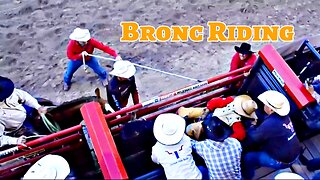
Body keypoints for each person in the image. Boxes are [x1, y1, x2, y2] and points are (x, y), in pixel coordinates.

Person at [242, 90, 301, 180]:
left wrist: (251, 126)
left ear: (271, 109)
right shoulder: (285, 117)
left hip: (283, 161)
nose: (264, 105)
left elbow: (250, 141)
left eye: (265, 104)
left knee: (248, 158)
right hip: (295, 153)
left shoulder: (270, 124)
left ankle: (247, 177)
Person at [181, 95, 258, 141]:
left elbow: (214, 102)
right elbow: (241, 135)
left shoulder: (230, 101)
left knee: (189, 126)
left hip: (207, 123)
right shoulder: (237, 122)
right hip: (214, 132)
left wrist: (207, 111)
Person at [151, 113, 205, 179]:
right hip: (196, 177)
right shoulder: (185, 139)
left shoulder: (156, 149)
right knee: (202, 169)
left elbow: (155, 160)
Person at [190, 115, 242, 179]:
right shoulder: (235, 143)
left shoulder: (203, 147)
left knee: (201, 169)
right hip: (236, 178)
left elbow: (190, 143)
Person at [0, 76, 47, 147]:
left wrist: (38, 107)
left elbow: (25, 96)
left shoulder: (9, 93)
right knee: (41, 143)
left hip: (25, 114)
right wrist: (15, 141)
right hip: (15, 131)